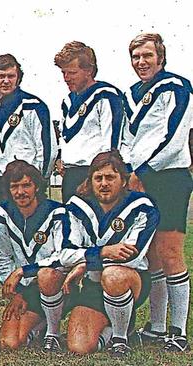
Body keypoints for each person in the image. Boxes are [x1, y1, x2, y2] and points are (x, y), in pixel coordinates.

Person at [120, 33, 193, 352]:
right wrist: (126, 170)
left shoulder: (178, 86)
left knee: (171, 252)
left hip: (169, 177)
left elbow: (176, 137)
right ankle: (157, 326)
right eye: (136, 57)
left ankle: (178, 330)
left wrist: (143, 173)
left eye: (147, 55)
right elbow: (126, 137)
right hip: (138, 179)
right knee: (150, 255)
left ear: (160, 57)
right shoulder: (130, 93)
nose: (141, 62)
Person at [55, 150, 158, 356]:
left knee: (114, 275)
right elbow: (66, 254)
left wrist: (85, 263)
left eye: (111, 177)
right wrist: (102, 252)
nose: (104, 183)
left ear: (123, 180)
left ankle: (121, 339)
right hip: (93, 284)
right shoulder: (76, 206)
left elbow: (131, 257)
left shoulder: (142, 206)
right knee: (79, 347)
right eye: (98, 178)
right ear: (91, 181)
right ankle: (119, 326)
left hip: (130, 280)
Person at [0, 160, 68, 352]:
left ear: (37, 186)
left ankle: (53, 332)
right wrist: (17, 293)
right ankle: (40, 327)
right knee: (9, 343)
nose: (20, 192)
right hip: (26, 291)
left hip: (55, 285)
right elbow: (2, 256)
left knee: (47, 276)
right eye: (14, 186)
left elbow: (63, 256)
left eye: (26, 185)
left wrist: (23, 271)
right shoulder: (3, 213)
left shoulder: (56, 212)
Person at [53, 41, 128, 201]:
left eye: (72, 72)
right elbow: (65, 137)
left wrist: (98, 177)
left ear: (89, 70)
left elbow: (111, 143)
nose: (66, 78)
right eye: (63, 73)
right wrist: (61, 158)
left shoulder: (106, 95)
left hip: (96, 175)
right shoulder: (67, 101)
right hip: (70, 174)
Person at [0, 54, 57, 210]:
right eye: (0, 76)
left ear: (18, 78)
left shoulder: (34, 106)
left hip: (25, 181)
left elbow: (48, 149)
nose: (6, 81)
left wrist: (39, 179)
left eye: (11, 76)